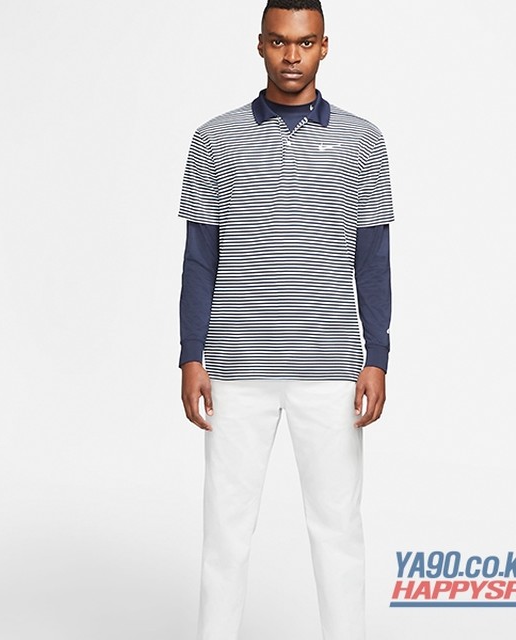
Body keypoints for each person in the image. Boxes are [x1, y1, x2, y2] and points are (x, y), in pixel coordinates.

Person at [177, 1, 394, 638]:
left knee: (338, 531)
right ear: (260, 44)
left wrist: (377, 357)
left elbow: (373, 258)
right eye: (279, 41)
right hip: (234, 368)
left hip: (331, 369)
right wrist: (191, 354)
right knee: (226, 534)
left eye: (304, 42)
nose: (291, 56)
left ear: (324, 46)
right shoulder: (215, 138)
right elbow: (199, 257)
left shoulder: (362, 140)